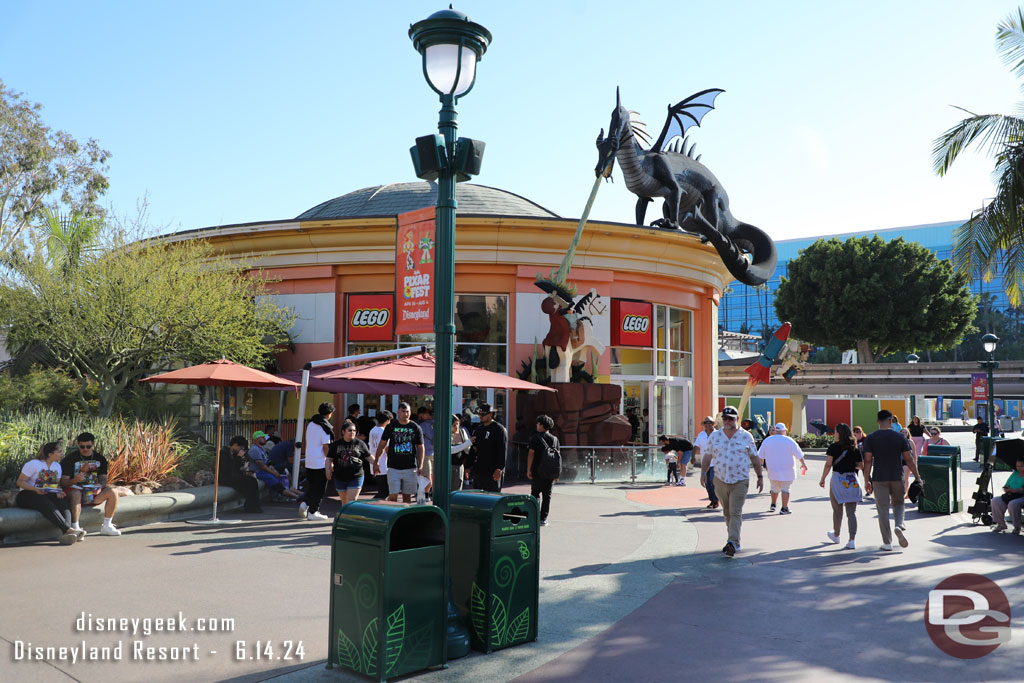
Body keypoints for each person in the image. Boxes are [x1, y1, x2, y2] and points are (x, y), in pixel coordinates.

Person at [699, 405, 764, 557]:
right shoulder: (715, 436)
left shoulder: (746, 436)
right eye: (725, 418)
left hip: (740, 480)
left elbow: (754, 457)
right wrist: (703, 472)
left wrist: (760, 477)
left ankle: (732, 542)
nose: (727, 421)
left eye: (731, 418)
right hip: (720, 479)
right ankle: (734, 541)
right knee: (727, 512)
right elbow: (707, 456)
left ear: (737, 419)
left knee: (735, 512)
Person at [863, 409, 924, 551]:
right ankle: (899, 524)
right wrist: (917, 476)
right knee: (899, 503)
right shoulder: (900, 438)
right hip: (897, 477)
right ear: (891, 421)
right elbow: (909, 459)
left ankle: (887, 543)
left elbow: (867, 461)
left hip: (879, 478)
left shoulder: (871, 438)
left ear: (878, 421)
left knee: (883, 509)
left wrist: (867, 480)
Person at [16, 441, 79, 545]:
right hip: (27, 494)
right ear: (50, 454)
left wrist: (59, 491)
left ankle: (67, 533)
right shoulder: (34, 464)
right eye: (59, 451)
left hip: (47, 493)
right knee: (45, 502)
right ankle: (69, 529)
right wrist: (35, 489)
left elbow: (56, 485)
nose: (61, 453)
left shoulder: (57, 466)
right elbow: (20, 482)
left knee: (63, 502)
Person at [60, 432, 121, 537]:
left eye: (88, 446)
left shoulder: (100, 459)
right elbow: (63, 482)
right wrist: (75, 480)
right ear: (78, 445)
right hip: (74, 490)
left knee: (113, 492)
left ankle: (107, 525)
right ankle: (75, 527)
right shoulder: (70, 459)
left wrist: (99, 487)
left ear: (93, 444)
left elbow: (103, 480)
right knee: (76, 493)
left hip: (91, 491)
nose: (85, 449)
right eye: (82, 447)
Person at [818, 423, 863, 549]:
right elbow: (861, 466)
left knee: (837, 511)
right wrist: (851, 465)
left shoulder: (833, 447)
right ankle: (852, 540)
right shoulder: (854, 448)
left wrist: (822, 478)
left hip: (837, 479)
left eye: (835, 432)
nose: (834, 434)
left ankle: (836, 535)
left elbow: (828, 464)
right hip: (852, 479)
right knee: (851, 513)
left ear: (840, 433)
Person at [374, 402, 425, 503]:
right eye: (403, 411)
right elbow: (382, 445)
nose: (405, 414)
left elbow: (421, 447)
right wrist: (376, 462)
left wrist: (421, 465)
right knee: (393, 495)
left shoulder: (415, 427)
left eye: (408, 412)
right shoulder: (391, 426)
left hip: (410, 467)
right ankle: (392, 515)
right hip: (393, 467)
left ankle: (405, 517)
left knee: (407, 497)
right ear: (398, 412)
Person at [757, 423, 807, 514]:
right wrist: (803, 464)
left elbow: (760, 456)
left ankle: (773, 504)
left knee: (774, 488)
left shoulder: (767, 440)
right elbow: (799, 454)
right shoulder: (789, 440)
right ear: (784, 431)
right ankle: (784, 508)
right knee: (786, 489)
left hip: (772, 469)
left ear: (776, 430)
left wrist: (760, 466)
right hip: (787, 470)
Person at [299, 402, 334, 521]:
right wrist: (330, 462)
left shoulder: (311, 424)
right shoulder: (325, 427)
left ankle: (304, 504)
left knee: (312, 486)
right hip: (321, 462)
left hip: (309, 460)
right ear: (329, 414)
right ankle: (313, 512)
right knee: (320, 489)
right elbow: (326, 447)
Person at [247, 431, 303, 501]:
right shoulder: (254, 449)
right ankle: (298, 497)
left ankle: (301, 494)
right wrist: (273, 473)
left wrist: (274, 470)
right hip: (258, 472)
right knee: (277, 483)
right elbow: (262, 466)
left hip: (264, 471)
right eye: (263, 437)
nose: (265, 438)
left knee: (284, 476)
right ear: (257, 439)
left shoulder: (261, 449)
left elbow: (268, 463)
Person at [328, 421, 374, 505]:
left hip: (356, 476)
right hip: (339, 477)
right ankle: (344, 517)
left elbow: (368, 456)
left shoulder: (360, 443)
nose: (352, 432)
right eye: (350, 430)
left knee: (351, 502)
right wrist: (327, 470)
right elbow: (329, 458)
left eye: (354, 431)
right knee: (344, 502)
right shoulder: (336, 444)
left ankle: (350, 517)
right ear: (343, 432)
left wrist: (377, 465)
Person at [527, 414, 559, 526]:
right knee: (547, 495)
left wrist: (528, 469)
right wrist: (557, 473)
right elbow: (558, 457)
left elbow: (531, 454)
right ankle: (543, 518)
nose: (536, 425)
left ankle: (533, 515)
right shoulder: (555, 439)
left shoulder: (535, 438)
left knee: (535, 493)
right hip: (550, 472)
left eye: (538, 423)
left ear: (541, 425)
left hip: (537, 470)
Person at [467, 404, 508, 492]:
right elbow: (473, 449)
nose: (480, 417)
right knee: (478, 498)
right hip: (479, 470)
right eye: (479, 414)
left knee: (493, 498)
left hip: (493, 471)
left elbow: (502, 450)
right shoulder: (478, 429)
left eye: (483, 415)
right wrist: (468, 466)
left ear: (490, 414)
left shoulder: (499, 430)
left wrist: (499, 468)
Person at [221, 436, 263, 513]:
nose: (241, 449)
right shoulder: (223, 453)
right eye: (240, 447)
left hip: (234, 475)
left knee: (252, 481)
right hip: (227, 477)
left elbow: (236, 467)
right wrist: (238, 458)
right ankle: (251, 506)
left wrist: (243, 466)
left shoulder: (234, 454)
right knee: (250, 482)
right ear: (235, 445)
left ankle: (253, 505)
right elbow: (228, 468)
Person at [991, 457, 1024, 533]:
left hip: (1021, 497)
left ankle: (1017, 527)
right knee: (995, 501)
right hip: (1010, 495)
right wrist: (1006, 488)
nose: (1019, 468)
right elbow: (1007, 484)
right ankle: (1001, 524)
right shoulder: (1015, 473)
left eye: (1021, 466)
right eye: (1017, 466)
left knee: (1013, 504)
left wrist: (1014, 490)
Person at [694, 416, 718, 509]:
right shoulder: (701, 435)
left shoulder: (718, 434)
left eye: (710, 423)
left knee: (712, 480)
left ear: (713, 424)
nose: (708, 425)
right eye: (706, 423)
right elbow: (696, 446)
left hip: (715, 463)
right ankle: (713, 500)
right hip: (705, 463)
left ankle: (716, 500)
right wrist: (693, 457)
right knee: (707, 483)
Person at [368, 411, 392, 499]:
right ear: (387, 420)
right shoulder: (384, 431)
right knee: (385, 491)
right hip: (383, 463)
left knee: (382, 490)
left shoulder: (372, 430)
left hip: (374, 462)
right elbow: (387, 448)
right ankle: (372, 505)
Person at [450, 414, 472, 493]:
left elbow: (467, 449)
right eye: (453, 425)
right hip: (447, 466)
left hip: (459, 465)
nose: (456, 427)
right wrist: (468, 442)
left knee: (457, 490)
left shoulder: (462, 432)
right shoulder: (445, 434)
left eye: (457, 424)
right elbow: (451, 450)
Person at [417, 407, 435, 503]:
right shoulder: (438, 422)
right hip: (435, 452)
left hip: (426, 453)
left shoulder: (422, 425)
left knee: (427, 476)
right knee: (432, 475)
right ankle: (428, 494)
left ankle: (426, 494)